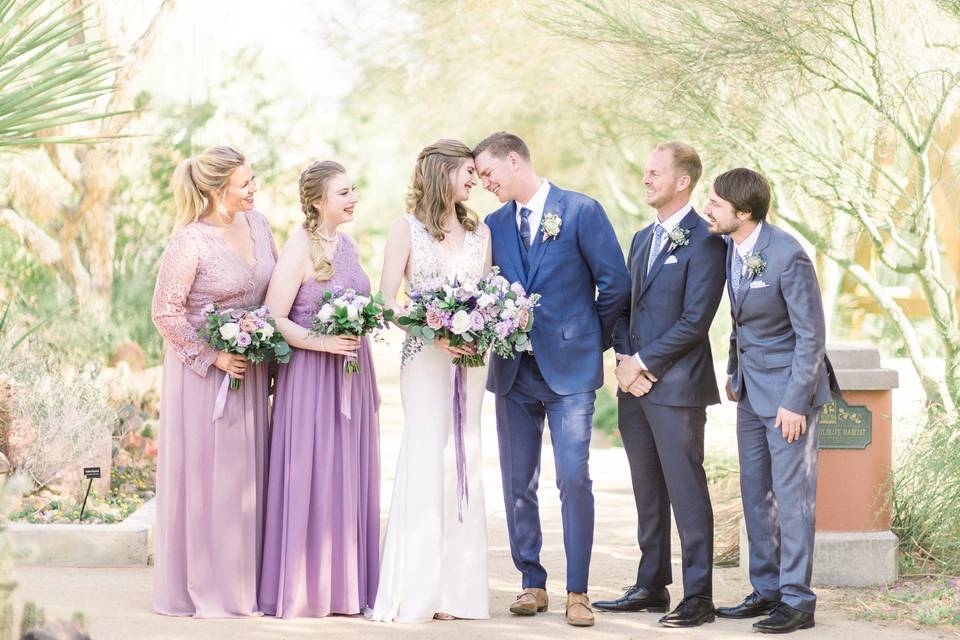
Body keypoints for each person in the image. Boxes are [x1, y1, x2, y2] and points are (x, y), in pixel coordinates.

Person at [474, 131, 630, 628]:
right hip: (513, 370)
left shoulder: (581, 210)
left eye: (488, 173)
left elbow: (615, 283)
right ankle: (531, 582)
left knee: (572, 477)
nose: (484, 184)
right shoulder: (493, 225)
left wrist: (588, 335)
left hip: (571, 372)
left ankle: (578, 591)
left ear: (514, 161)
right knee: (518, 481)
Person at [599, 142, 726, 628]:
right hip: (634, 388)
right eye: (646, 171)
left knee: (686, 490)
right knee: (647, 490)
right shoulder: (640, 239)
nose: (646, 179)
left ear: (682, 181)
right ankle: (651, 584)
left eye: (655, 172)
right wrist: (624, 359)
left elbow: (696, 320)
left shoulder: (707, 240)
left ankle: (699, 595)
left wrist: (645, 364)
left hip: (677, 388)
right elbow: (625, 307)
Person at [706, 168, 837, 634]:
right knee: (755, 494)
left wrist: (795, 403)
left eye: (716, 203)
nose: (709, 209)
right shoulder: (730, 247)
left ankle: (798, 601)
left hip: (788, 396)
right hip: (749, 392)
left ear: (743, 212)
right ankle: (766, 591)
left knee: (792, 497)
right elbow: (740, 320)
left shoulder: (787, 255)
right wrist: (732, 371)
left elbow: (811, 336)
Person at [152, 145, 276, 617]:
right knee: (213, 479)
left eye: (253, 178)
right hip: (204, 376)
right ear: (217, 189)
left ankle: (247, 584)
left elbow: (276, 286)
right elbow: (165, 312)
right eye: (245, 183)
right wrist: (213, 355)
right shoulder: (190, 242)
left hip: (255, 364)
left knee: (247, 479)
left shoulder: (260, 225)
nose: (254, 188)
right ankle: (208, 587)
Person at [371, 139, 491, 623]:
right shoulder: (406, 230)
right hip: (424, 358)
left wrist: (477, 330)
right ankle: (418, 588)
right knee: (426, 455)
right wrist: (432, 330)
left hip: (472, 361)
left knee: (464, 455)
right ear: (443, 172)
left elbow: (488, 295)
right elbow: (385, 300)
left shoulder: (478, 230)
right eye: (468, 172)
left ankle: (459, 593)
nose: (474, 181)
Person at [258, 161, 381, 618]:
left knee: (346, 476)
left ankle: (345, 588)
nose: (352, 199)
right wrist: (323, 342)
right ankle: (305, 589)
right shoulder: (299, 248)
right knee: (314, 476)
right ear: (316, 202)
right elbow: (274, 316)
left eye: (353, 190)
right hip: (311, 376)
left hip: (350, 375)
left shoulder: (345, 244)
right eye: (343, 193)